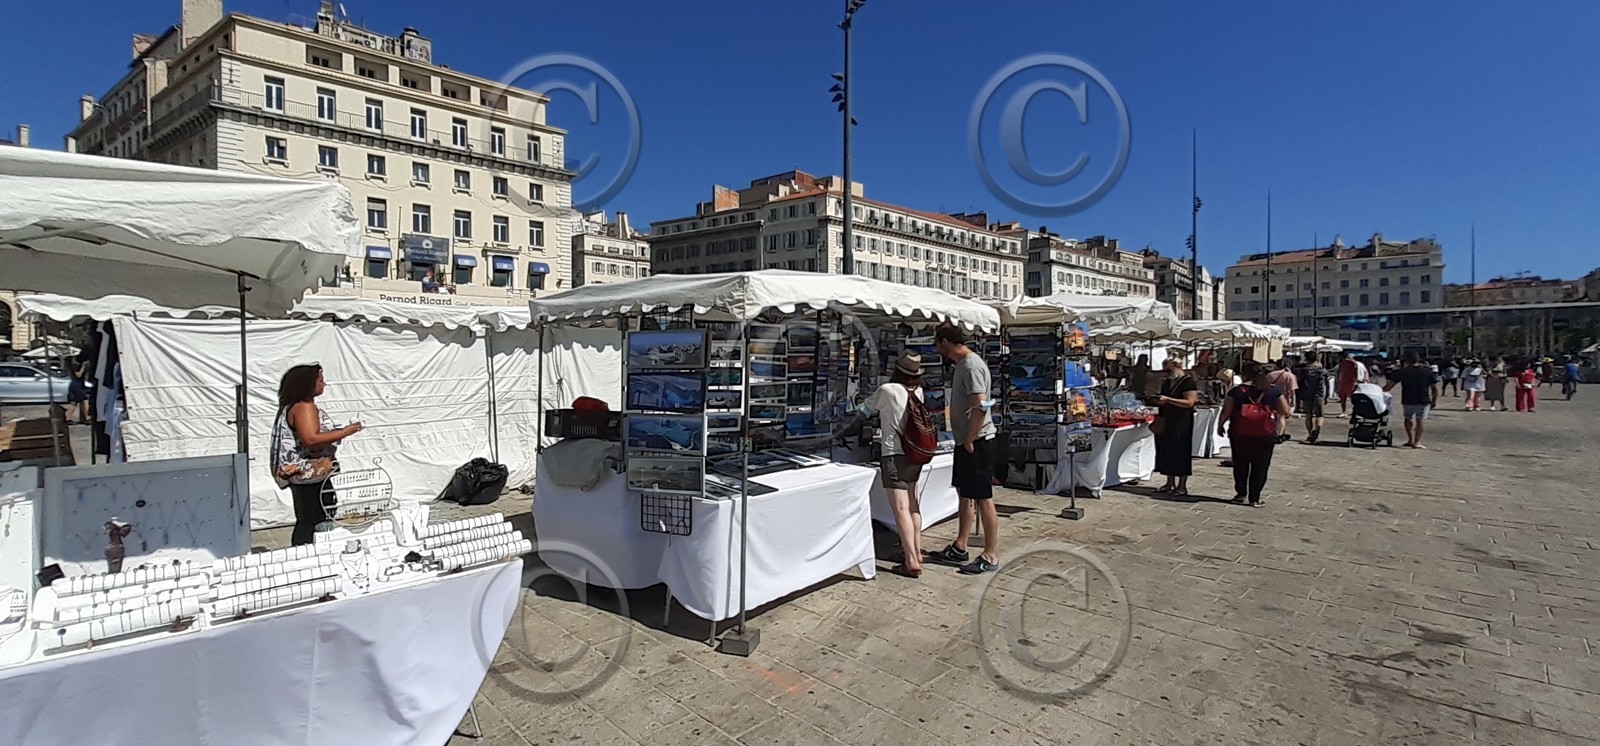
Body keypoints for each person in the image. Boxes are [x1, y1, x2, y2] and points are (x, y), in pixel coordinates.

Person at [928, 324, 1001, 575]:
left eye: (937, 343)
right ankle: (961, 545)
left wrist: (970, 438)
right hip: (965, 439)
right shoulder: (963, 365)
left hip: (977, 440)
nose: (936, 349)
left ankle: (990, 554)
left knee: (983, 497)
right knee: (965, 493)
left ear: (945, 342)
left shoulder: (971, 366)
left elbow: (981, 405)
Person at [272, 364, 363, 545]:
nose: (324, 384)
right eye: (320, 380)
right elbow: (311, 439)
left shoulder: (293, 406)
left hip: (305, 475)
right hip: (309, 476)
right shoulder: (304, 407)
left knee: (310, 514)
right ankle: (312, 552)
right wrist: (346, 431)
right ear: (307, 384)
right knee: (316, 517)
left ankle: (307, 550)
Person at [864, 350, 927, 578]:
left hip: (893, 454)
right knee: (913, 506)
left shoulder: (888, 390)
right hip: (914, 455)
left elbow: (864, 410)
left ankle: (910, 560)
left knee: (900, 509)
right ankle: (916, 552)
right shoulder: (918, 391)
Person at [1217, 363, 1292, 506]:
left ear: (1244, 375)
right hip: (1264, 434)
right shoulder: (1273, 391)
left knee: (1240, 464)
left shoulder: (1236, 391)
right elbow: (1286, 411)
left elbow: (1226, 411)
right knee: (1261, 466)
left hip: (1240, 433)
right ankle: (1255, 497)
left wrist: (1220, 425)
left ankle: (1240, 494)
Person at [1152, 358, 1198, 496]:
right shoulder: (1167, 382)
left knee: (1181, 451)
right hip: (1167, 420)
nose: (1166, 373)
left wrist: (1169, 400)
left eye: (1168, 370)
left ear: (1176, 366)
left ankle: (1182, 485)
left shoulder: (1188, 382)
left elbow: (1190, 402)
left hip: (1182, 422)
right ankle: (1169, 482)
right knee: (1167, 450)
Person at [1385, 355, 1439, 449]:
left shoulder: (1404, 371)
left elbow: (1390, 385)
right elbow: (1434, 388)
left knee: (1407, 419)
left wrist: (1380, 390)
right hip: (1423, 399)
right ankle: (1417, 442)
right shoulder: (1427, 371)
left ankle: (1410, 439)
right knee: (1420, 420)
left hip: (1407, 399)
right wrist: (1434, 400)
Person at [1265, 359, 1299, 443]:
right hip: (1284, 398)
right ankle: (1279, 435)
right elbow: (1292, 391)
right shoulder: (1290, 376)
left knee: (1274, 416)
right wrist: (1293, 401)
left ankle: (1276, 432)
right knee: (1281, 417)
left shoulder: (1270, 375)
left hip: (1271, 396)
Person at [1298, 356, 1330, 442]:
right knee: (1319, 415)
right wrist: (1327, 395)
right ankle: (1317, 431)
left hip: (1306, 395)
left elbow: (1299, 383)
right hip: (1319, 394)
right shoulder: (1323, 371)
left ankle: (1310, 433)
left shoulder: (1304, 371)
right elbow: (1327, 384)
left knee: (1308, 415)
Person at [67, 358, 91, 424]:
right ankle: (67, 418)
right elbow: (78, 375)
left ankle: (84, 417)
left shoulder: (77, 365)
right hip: (76, 385)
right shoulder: (76, 366)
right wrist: (83, 367)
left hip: (80, 385)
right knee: (79, 402)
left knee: (82, 402)